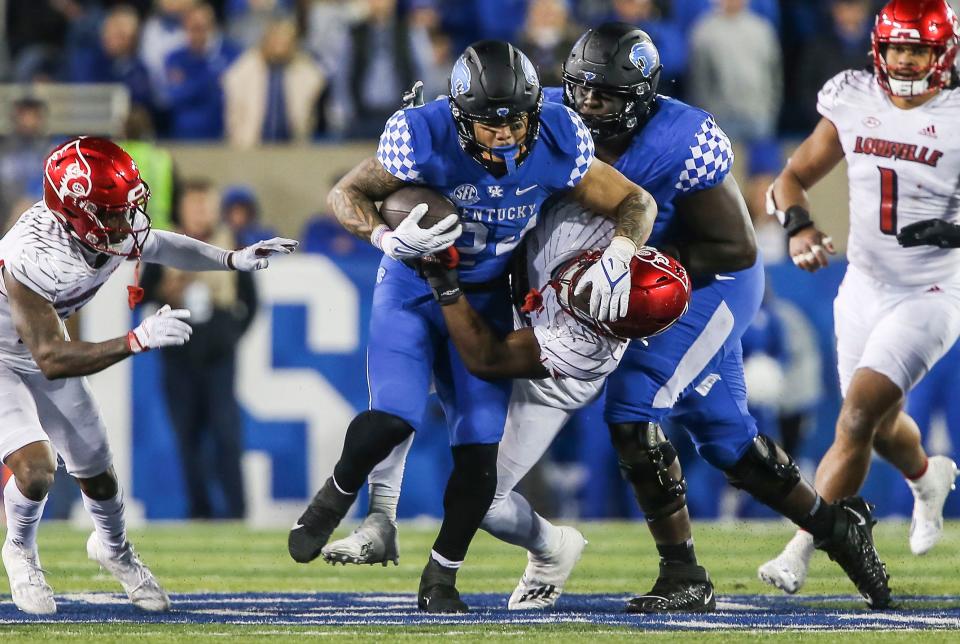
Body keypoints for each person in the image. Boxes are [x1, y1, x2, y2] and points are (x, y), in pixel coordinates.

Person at [319, 23, 894, 613]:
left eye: (607, 95)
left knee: (631, 410)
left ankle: (683, 573)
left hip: (697, 285)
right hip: (601, 286)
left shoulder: (681, 138)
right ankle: (835, 526)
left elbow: (735, 251)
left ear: (642, 97)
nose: (589, 104)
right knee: (726, 440)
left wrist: (625, 268)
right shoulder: (543, 121)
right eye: (581, 89)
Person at [288, 40, 660, 613]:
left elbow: (634, 200)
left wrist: (621, 250)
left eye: (516, 117)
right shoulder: (422, 133)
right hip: (412, 288)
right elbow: (347, 193)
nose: (506, 133)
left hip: (483, 299)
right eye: (490, 122)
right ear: (461, 115)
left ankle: (441, 577)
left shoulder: (561, 136)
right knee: (392, 419)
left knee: (479, 455)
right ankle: (333, 497)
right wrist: (385, 238)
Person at [0, 136, 297, 615]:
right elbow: (52, 357)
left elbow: (157, 243)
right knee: (37, 471)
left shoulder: (98, 224)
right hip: (6, 360)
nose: (126, 220)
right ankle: (19, 550)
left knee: (97, 472)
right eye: (113, 212)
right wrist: (135, 340)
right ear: (77, 213)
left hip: (43, 348)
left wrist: (230, 258)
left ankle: (114, 550)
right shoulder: (31, 256)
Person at [761, 0, 960, 596]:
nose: (904, 60)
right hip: (864, 284)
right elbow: (789, 178)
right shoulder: (854, 96)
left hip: (933, 288)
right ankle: (929, 477)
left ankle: (801, 544)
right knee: (875, 421)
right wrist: (798, 227)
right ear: (879, 48)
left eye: (917, 49)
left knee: (854, 418)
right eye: (897, 47)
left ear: (940, 53)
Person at [140, 179, 258, 520]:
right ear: (181, 210)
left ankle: (237, 511)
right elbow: (142, 296)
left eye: (205, 205)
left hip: (219, 356)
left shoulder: (232, 244)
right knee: (186, 437)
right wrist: (167, 292)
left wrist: (230, 336)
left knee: (226, 435)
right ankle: (199, 510)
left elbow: (250, 301)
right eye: (194, 206)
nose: (200, 212)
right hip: (178, 356)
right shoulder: (163, 247)